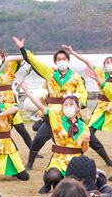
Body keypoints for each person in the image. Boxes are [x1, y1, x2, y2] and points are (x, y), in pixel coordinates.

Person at [13, 37, 90, 170]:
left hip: (70, 114)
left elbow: (83, 94)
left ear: (68, 60)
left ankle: (101, 160)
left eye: (63, 59)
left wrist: (79, 104)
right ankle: (30, 163)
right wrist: (23, 49)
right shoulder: (50, 73)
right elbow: (35, 62)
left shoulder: (76, 77)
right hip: (52, 115)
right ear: (55, 62)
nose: (61, 61)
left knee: (88, 138)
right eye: (58, 59)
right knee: (39, 139)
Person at [62, 45, 112, 167]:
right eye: (107, 62)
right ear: (104, 66)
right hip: (102, 107)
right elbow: (88, 62)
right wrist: (73, 52)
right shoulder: (100, 73)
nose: (110, 64)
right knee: (89, 132)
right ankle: (97, 158)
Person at [21, 82, 90, 194]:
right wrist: (28, 93)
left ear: (78, 108)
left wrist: (86, 142)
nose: (68, 107)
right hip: (59, 159)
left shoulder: (84, 127)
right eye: (65, 105)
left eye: (71, 104)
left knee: (74, 186)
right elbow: (41, 106)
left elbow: (84, 150)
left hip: (75, 161)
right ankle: (48, 184)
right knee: (51, 177)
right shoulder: (56, 120)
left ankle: (62, 182)